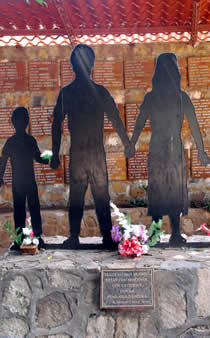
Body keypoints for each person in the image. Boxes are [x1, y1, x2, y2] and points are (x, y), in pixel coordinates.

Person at [51, 44, 133, 249]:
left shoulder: (68, 93)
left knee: (84, 195)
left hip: (83, 153)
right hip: (92, 153)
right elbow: (116, 119)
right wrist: (127, 144)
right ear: (92, 65)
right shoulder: (97, 91)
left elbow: (56, 125)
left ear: (73, 66)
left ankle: (77, 236)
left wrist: (55, 154)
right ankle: (97, 236)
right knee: (97, 195)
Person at [129, 53, 210, 246]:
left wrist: (132, 143)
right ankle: (166, 233)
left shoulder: (170, 97)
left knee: (169, 188)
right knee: (165, 187)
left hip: (166, 147)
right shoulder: (176, 97)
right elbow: (140, 122)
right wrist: (201, 150)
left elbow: (193, 124)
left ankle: (167, 233)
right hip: (167, 148)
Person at [0, 107, 49, 250]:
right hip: (27, 181)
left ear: (13, 122)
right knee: (32, 208)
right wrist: (49, 159)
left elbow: (3, 162)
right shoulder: (29, 140)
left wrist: (0, 177)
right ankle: (34, 236)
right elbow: (38, 158)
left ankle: (23, 238)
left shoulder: (11, 142)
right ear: (27, 122)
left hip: (19, 182)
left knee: (21, 210)